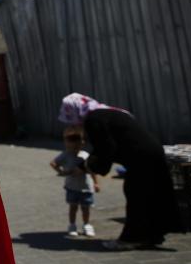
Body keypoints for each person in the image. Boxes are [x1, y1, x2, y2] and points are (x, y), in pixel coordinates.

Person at [58, 93, 180, 250]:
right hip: (150, 152)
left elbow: (105, 150)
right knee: (148, 194)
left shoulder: (94, 120)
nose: (73, 124)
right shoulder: (103, 112)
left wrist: (85, 168)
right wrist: (87, 166)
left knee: (136, 195)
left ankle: (131, 239)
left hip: (141, 157)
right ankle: (150, 235)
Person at [50, 130, 99, 237]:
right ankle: (72, 225)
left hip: (86, 187)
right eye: (70, 143)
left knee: (86, 208)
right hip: (71, 187)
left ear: (82, 143)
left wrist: (96, 183)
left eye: (77, 143)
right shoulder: (65, 155)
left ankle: (87, 225)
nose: (74, 147)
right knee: (73, 207)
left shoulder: (85, 155)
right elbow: (53, 163)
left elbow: (92, 170)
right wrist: (61, 172)